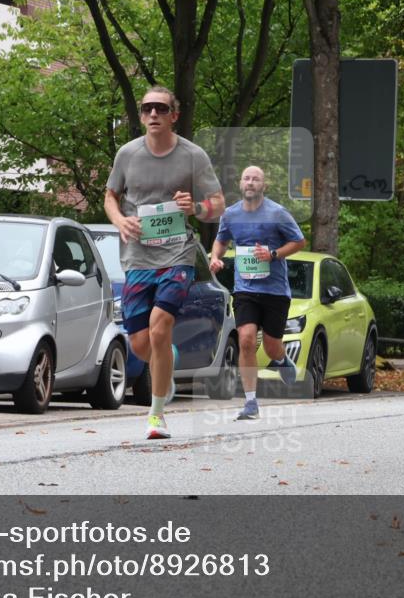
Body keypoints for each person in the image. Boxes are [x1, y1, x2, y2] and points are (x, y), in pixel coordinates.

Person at [104, 85, 225, 439]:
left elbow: (217, 203)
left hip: (178, 254)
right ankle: (165, 357)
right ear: (141, 116)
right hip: (137, 257)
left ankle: (156, 417)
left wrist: (196, 208)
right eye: (146, 109)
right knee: (141, 344)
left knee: (160, 324)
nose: (153, 114)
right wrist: (119, 220)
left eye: (160, 108)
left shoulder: (193, 156)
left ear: (174, 115)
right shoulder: (127, 154)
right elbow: (110, 197)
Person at [209, 166, 306, 420]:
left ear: (264, 185)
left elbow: (299, 242)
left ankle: (282, 360)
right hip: (245, 290)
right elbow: (221, 240)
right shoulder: (230, 215)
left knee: (273, 347)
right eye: (247, 178)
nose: (250, 182)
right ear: (240, 184)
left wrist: (273, 255)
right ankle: (251, 402)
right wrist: (215, 257)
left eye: (256, 179)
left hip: (275, 290)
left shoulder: (277, 213)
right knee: (247, 340)